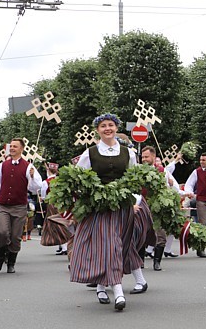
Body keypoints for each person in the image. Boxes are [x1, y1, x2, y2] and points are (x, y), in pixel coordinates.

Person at [70, 113, 138, 311]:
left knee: (117, 245)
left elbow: (134, 178)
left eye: (111, 125)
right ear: (97, 131)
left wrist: (135, 200)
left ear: (116, 128)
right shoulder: (90, 153)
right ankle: (118, 292)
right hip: (100, 208)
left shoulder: (128, 153)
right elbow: (79, 178)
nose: (107, 128)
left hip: (122, 206)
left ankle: (101, 286)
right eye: (103, 126)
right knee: (111, 245)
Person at [0, 138, 43, 274]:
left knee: (15, 237)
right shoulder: (3, 165)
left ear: (21, 149)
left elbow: (36, 187)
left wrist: (32, 177)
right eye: (11, 146)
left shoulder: (28, 167)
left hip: (19, 207)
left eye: (15, 146)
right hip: (3, 206)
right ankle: (0, 258)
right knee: (2, 233)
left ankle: (11, 262)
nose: (12, 148)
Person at [141, 146, 187, 270]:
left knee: (161, 235)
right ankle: (140, 262)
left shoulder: (162, 170)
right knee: (142, 234)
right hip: (143, 206)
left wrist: (176, 194)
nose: (144, 159)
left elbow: (171, 187)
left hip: (158, 207)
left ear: (153, 157)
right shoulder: (138, 171)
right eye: (142, 157)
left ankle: (157, 262)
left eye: (146, 157)